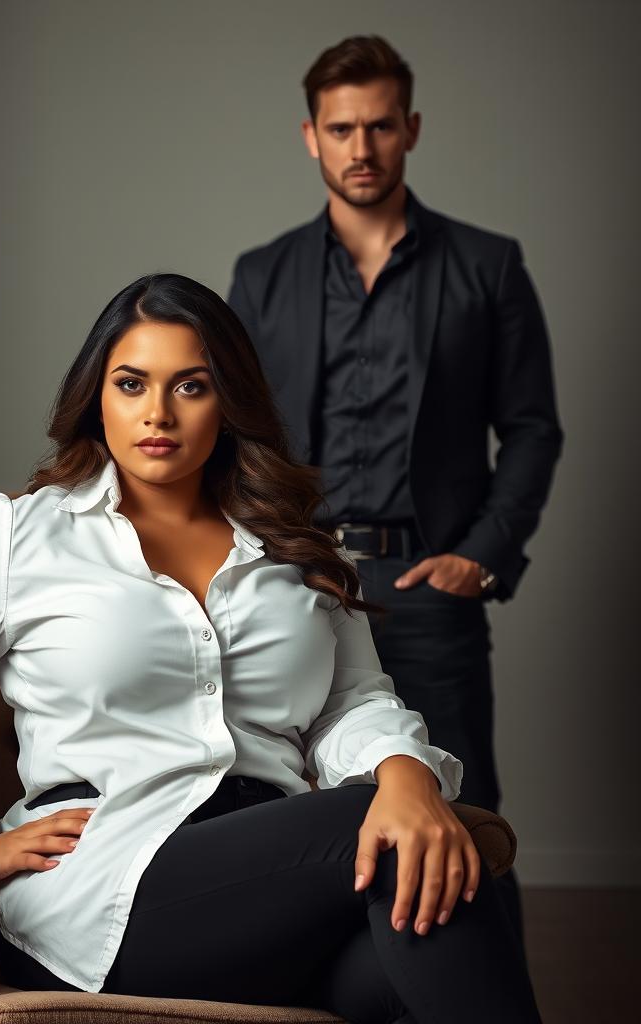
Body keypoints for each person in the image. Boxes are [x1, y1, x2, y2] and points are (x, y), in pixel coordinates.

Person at [0, 273, 544, 1022]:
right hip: (102, 885)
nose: (157, 413)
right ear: (98, 398)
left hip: (274, 885)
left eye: (190, 387)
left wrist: (407, 776)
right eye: (130, 384)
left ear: (230, 402)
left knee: (434, 882)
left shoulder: (296, 548)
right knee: (371, 826)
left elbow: (353, 702)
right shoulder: (25, 536)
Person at [227, 35, 563, 951]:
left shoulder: (487, 267)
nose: (361, 147)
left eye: (380, 125)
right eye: (342, 128)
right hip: (297, 583)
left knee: (466, 824)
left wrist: (482, 555)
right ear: (312, 137)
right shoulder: (262, 276)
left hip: (426, 585)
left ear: (410, 128)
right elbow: (236, 431)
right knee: (305, 821)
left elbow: (532, 426)